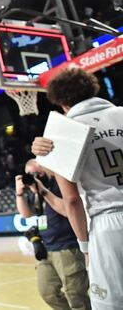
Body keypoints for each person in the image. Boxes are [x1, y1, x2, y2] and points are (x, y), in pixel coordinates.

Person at [32, 67, 123, 309]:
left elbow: (72, 200)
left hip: (108, 224)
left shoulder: (60, 133)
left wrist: (84, 247)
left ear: (61, 101)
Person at [15, 159, 90, 309]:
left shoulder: (59, 184)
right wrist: (20, 193)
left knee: (75, 293)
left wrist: (43, 190)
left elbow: (67, 209)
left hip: (67, 246)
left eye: (36, 172)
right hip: (46, 248)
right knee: (47, 292)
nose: (34, 177)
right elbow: (26, 214)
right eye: (29, 174)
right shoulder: (34, 191)